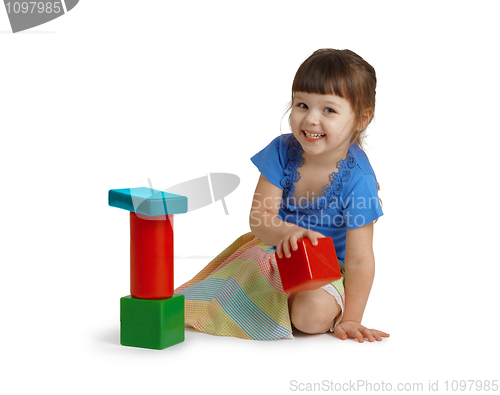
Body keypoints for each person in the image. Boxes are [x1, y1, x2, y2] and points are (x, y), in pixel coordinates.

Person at [175, 49, 389, 343]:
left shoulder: (358, 179)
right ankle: (262, 303)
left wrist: (352, 319)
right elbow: (260, 218)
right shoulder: (281, 151)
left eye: (329, 110)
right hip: (273, 250)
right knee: (225, 288)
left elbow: (360, 260)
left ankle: (276, 307)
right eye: (302, 105)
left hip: (326, 269)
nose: (311, 119)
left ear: (361, 119)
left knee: (310, 316)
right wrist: (287, 232)